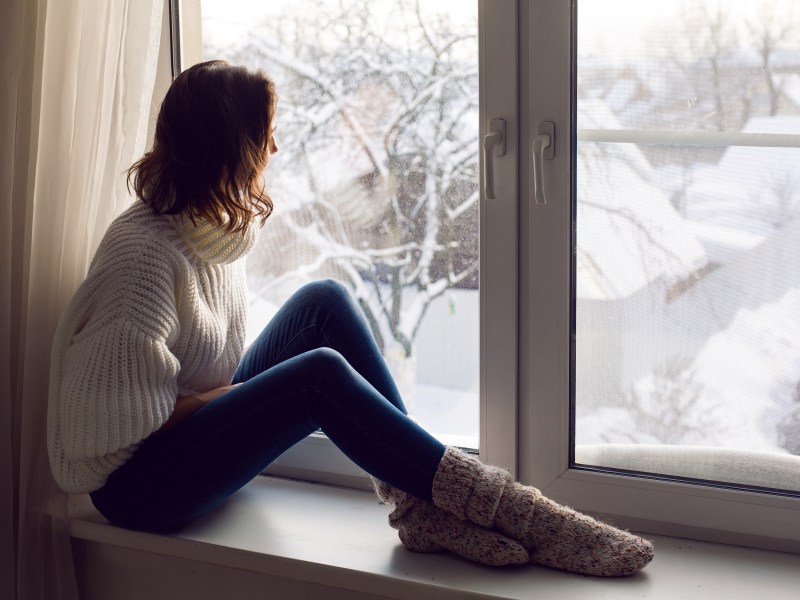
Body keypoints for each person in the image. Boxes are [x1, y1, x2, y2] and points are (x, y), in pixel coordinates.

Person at [47, 60, 653, 577]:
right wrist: (229, 399)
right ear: (228, 148)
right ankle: (516, 512)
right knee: (318, 377)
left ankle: (423, 509)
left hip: (187, 436)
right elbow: (115, 439)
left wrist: (229, 398)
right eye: (266, 137)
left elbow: (205, 378)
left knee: (323, 301)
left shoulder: (204, 230)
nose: (275, 151)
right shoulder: (144, 261)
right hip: (140, 487)